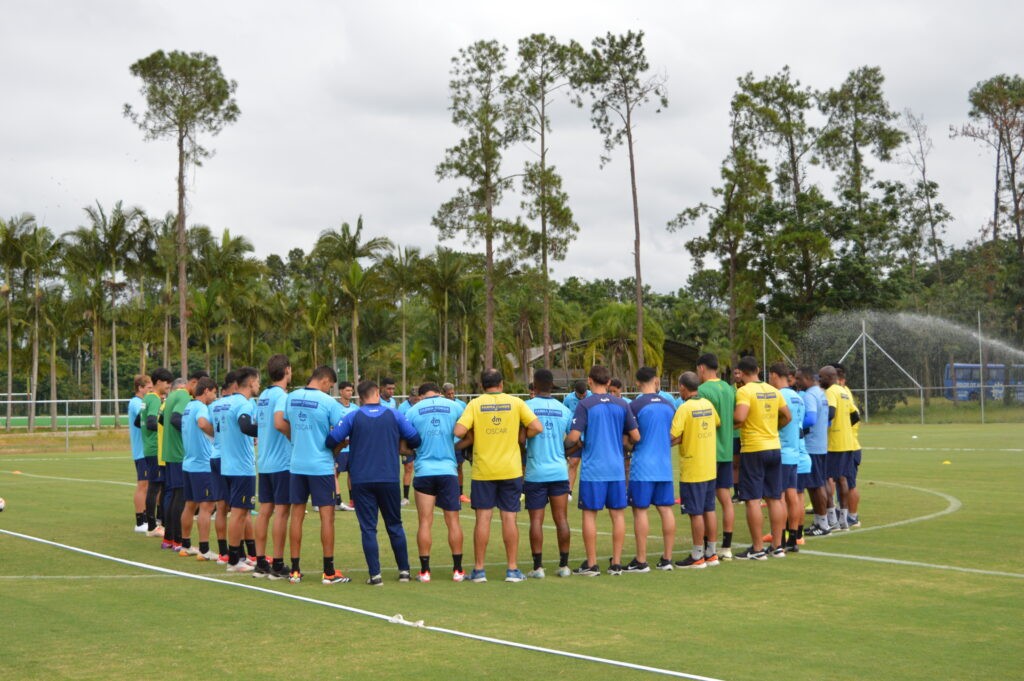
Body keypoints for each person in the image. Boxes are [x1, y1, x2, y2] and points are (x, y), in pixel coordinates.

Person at [328, 380, 421, 586]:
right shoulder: (394, 415)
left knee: (368, 528)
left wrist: (347, 441)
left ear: (360, 397)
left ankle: (375, 575)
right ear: (377, 393)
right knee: (395, 525)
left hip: (361, 480)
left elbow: (331, 440)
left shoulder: (353, 416)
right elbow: (415, 439)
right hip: (388, 478)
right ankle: (404, 571)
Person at [454, 368, 542, 583]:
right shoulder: (516, 402)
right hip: (510, 469)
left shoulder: (475, 404)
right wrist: (521, 436)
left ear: (482, 386)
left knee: (483, 519)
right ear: (501, 384)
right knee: (509, 518)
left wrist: (474, 433)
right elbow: (537, 427)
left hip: (483, 470)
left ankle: (479, 570)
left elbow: (458, 431)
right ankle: (512, 569)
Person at [565, 365, 640, 576]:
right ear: (608, 382)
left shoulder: (585, 404)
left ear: (590, 380)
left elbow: (573, 437)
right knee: (617, 515)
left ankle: (591, 564)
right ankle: (616, 563)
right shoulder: (622, 404)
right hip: (616, 469)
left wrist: (568, 446)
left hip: (593, 470)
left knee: (590, 515)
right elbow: (635, 436)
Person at [278, 365, 349, 585]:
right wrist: (336, 449)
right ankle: (328, 571)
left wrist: (297, 441)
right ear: (326, 381)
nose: (330, 389)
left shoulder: (291, 397)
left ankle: (295, 570)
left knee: (297, 516)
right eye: (331, 386)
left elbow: (285, 424)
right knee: (327, 517)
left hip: (297, 465)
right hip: (320, 467)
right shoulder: (328, 402)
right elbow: (343, 432)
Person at [404, 382, 469, 582]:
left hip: (424, 471)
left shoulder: (413, 411)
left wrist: (416, 452)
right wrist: (455, 447)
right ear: (440, 393)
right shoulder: (455, 406)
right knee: (453, 521)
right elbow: (469, 434)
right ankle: (458, 570)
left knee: (425, 521)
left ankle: (425, 572)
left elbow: (403, 445)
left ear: (421, 395)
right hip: (448, 471)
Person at [733, 356, 791, 559]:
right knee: (775, 498)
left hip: (754, 449)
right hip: (774, 447)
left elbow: (740, 416)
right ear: (758, 370)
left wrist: (730, 424)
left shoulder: (744, 391)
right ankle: (777, 546)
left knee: (752, 499)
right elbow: (787, 416)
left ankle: (757, 549)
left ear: (741, 373)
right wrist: (773, 428)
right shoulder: (773, 390)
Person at [624, 366, 676, 573]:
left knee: (640, 510)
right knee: (666, 509)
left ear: (637, 382)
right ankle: (667, 559)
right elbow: (674, 434)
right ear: (656, 380)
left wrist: (628, 446)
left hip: (643, 467)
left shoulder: (635, 405)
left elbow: (629, 439)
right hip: (664, 465)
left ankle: (641, 560)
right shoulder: (669, 405)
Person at [523, 369, 574, 579]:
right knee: (561, 519)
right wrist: (562, 452)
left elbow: (520, 438)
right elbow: (575, 440)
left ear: (534, 385)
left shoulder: (526, 406)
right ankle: (564, 566)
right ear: (552, 385)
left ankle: (538, 567)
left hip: (535, 472)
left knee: (536, 520)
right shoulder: (564, 409)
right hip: (559, 471)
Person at [671, 371, 721, 568]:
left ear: (683, 387)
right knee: (709, 509)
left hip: (693, 468)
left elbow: (672, 435)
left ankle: (697, 554)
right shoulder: (707, 404)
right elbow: (716, 423)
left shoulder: (685, 408)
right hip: (709, 466)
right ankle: (712, 553)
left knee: (695, 512)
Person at [252, 354, 292, 578]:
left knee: (265, 511)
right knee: (281, 512)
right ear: (287, 370)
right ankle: (277, 564)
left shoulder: (264, 396)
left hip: (265, 461)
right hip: (281, 463)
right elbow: (279, 423)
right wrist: (294, 437)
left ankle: (260, 561)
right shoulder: (281, 396)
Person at [695, 353, 736, 560]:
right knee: (726, 498)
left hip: (709, 451)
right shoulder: (728, 388)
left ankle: (706, 546)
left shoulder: (703, 390)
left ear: (702, 368)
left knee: (706, 502)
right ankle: (726, 546)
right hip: (726, 450)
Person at [221, 366, 261, 573]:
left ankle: (241, 556)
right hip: (241, 468)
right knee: (238, 514)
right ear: (251, 382)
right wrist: (266, 431)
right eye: (258, 382)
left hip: (229, 465)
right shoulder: (244, 404)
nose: (259, 386)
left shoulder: (228, 402)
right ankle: (234, 560)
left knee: (242, 513)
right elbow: (245, 426)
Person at [179, 377, 218, 559]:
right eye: (214, 393)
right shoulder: (201, 407)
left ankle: (186, 545)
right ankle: (204, 549)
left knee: (190, 505)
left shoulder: (188, 407)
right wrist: (216, 434)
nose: (215, 397)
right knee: (207, 506)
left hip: (189, 463)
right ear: (207, 391)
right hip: (202, 465)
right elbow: (202, 423)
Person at [768, 363, 805, 552]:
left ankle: (780, 540)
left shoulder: (778, 395)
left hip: (782, 451)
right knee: (793, 495)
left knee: (779, 497)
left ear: (774, 375)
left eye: (769, 376)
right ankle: (794, 539)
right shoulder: (798, 397)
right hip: (795, 451)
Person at [820, 365, 859, 531]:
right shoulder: (844, 391)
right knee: (842, 479)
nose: (819, 380)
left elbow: (830, 413)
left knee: (825, 479)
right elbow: (855, 415)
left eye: (821, 377)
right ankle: (843, 520)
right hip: (848, 442)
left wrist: (820, 426)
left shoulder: (831, 392)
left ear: (830, 377)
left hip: (834, 443)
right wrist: (845, 428)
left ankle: (832, 520)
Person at [208, 371, 239, 562]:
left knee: (221, 507)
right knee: (239, 509)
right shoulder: (239, 403)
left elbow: (207, 426)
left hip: (215, 455)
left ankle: (223, 552)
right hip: (232, 459)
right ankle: (242, 553)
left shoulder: (214, 405)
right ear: (235, 385)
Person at [161, 376, 192, 551]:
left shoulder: (171, 396)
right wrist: (190, 430)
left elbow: (162, 419)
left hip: (170, 451)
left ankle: (169, 538)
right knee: (180, 497)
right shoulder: (183, 395)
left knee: (174, 496)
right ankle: (178, 540)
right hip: (179, 453)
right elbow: (175, 419)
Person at [142, 367, 173, 537]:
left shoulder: (147, 398)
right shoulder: (154, 399)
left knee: (159, 486)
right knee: (155, 487)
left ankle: (158, 523)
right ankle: (153, 526)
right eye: (167, 383)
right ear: (159, 382)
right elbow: (151, 422)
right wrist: (167, 428)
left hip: (150, 447)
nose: (169, 386)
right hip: (156, 448)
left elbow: (138, 422)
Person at [128, 374, 152, 533]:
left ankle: (147, 517)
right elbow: (143, 418)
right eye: (148, 388)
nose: (151, 390)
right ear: (140, 388)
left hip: (148, 450)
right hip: (141, 451)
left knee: (149, 485)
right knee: (142, 485)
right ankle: (139, 521)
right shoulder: (136, 402)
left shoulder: (143, 402)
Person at [443, 382, 471, 503]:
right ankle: (445, 492)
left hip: (458, 442)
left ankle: (460, 494)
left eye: (452, 393)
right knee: (445, 468)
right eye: (448, 394)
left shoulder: (461, 405)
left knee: (459, 467)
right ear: (444, 394)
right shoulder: (442, 405)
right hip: (445, 442)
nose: (451, 396)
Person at [333, 381, 359, 512]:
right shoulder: (335, 407)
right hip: (340, 447)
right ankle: (336, 500)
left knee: (352, 474)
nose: (350, 393)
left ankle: (353, 501)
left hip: (353, 448)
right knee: (335, 473)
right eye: (347, 390)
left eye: (351, 390)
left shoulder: (355, 408)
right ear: (341, 391)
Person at [562, 378, 590, 497]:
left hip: (590, 437)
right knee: (573, 462)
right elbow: (564, 417)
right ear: (575, 391)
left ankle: (590, 492)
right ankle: (568, 492)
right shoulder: (568, 399)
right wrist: (570, 434)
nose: (582, 397)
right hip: (574, 436)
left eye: (584, 395)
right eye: (580, 395)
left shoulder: (592, 396)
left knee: (590, 465)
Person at [397, 386, 419, 505]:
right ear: (410, 397)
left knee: (422, 467)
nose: (416, 400)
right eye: (414, 397)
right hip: (407, 441)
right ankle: (405, 497)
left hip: (420, 440)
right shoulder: (402, 407)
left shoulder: (422, 405)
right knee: (408, 467)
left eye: (418, 398)